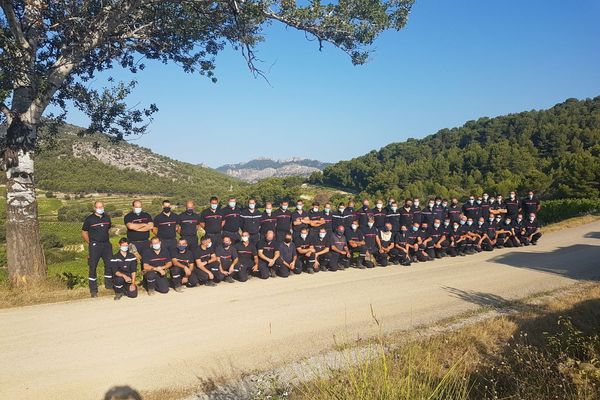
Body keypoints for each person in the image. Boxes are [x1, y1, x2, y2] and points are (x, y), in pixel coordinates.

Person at [82, 201, 113, 297]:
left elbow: (108, 229)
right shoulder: (89, 219)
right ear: (94, 208)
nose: (100, 208)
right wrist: (91, 243)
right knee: (93, 267)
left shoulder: (107, 217)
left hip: (106, 245)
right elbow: (84, 232)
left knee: (109, 265)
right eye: (98, 207)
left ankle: (109, 285)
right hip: (95, 246)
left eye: (102, 206)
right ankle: (93, 290)